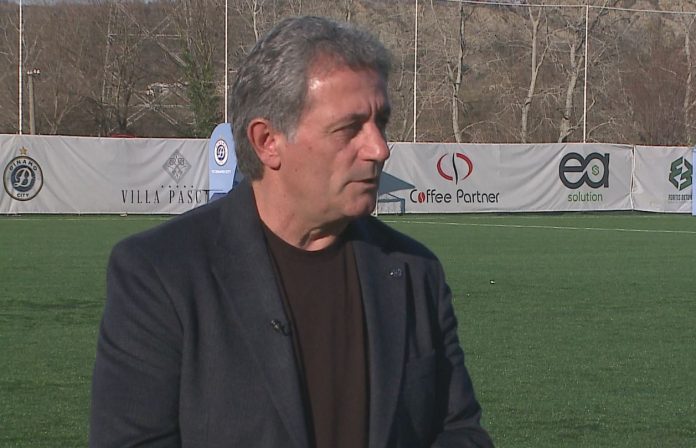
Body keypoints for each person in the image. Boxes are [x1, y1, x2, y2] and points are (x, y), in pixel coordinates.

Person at [90, 16, 493, 448]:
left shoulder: (415, 271)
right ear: (267, 141)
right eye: (350, 128)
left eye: (381, 122)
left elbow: (460, 432)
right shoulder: (159, 273)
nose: (380, 148)